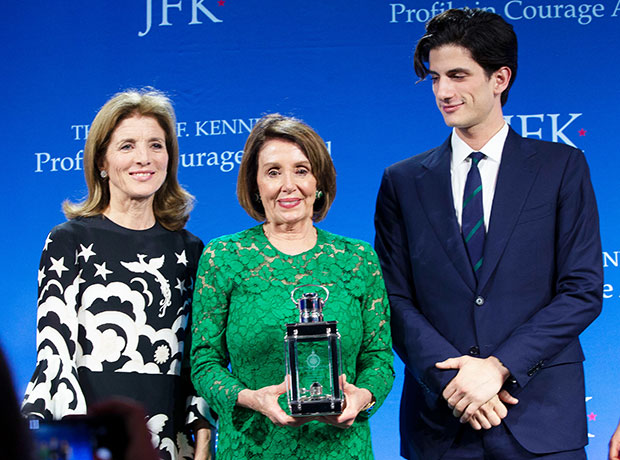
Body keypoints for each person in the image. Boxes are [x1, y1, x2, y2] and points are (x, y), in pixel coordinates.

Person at [374, 8, 603, 460]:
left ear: (500, 78)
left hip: (541, 420)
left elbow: (581, 291)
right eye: (435, 78)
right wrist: (457, 384)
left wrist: (499, 368)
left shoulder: (561, 169)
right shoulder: (401, 181)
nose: (443, 91)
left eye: (458, 75)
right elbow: (393, 300)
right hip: (442, 424)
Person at [22, 88, 214, 460]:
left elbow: (197, 360)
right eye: (127, 146)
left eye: (156, 145)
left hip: (170, 441)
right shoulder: (68, 241)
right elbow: (54, 356)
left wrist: (203, 435)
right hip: (88, 437)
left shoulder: (192, 250)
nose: (144, 158)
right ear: (101, 162)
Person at [191, 113, 394, 459]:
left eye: (301, 170)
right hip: (252, 447)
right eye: (273, 172)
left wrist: (363, 397)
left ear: (319, 181)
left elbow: (379, 359)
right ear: (255, 184)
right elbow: (203, 362)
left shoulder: (358, 258)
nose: (289, 185)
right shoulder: (223, 257)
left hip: (342, 449)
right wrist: (249, 398)